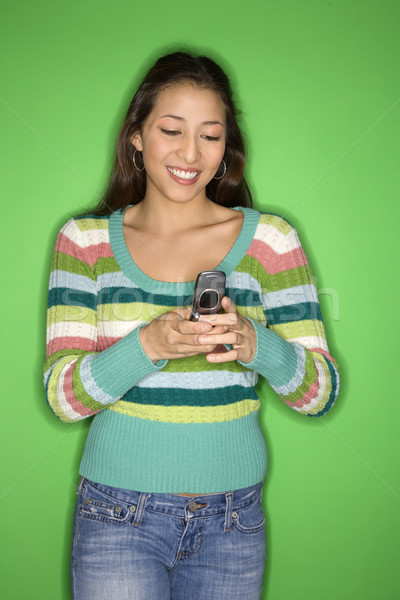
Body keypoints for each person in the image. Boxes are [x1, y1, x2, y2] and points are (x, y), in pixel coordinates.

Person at [44, 51, 339, 600]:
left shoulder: (273, 242)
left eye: (210, 135)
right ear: (136, 135)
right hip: (115, 515)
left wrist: (258, 345)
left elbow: (319, 392)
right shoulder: (83, 242)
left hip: (233, 521)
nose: (190, 153)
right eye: (171, 130)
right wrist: (147, 345)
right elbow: (63, 397)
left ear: (227, 146)